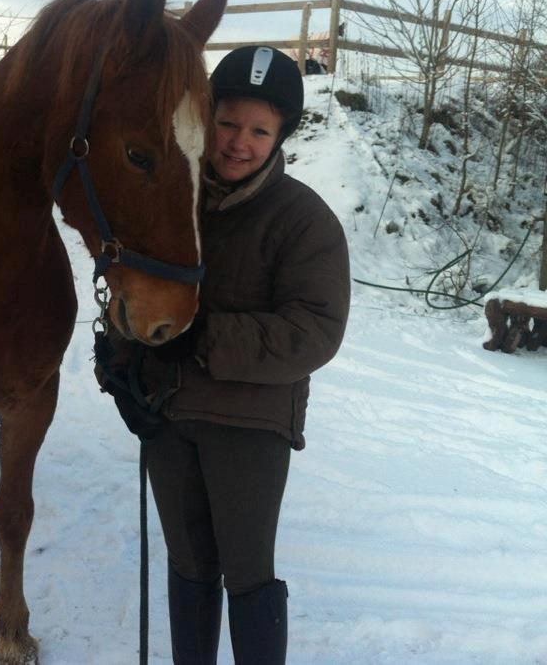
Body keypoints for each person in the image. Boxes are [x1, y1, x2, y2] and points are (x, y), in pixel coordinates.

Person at [98, 45, 351, 664]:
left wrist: (204, 337)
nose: (239, 142)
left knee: (245, 570)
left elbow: (314, 330)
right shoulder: (172, 200)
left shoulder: (304, 221)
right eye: (228, 123)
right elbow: (138, 292)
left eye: (259, 130)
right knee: (188, 564)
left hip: (249, 424)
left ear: (280, 136)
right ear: (205, 122)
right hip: (167, 414)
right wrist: (119, 360)